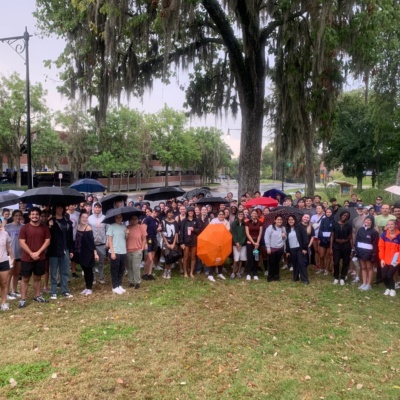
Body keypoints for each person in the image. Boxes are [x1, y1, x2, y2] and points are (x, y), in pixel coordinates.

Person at [18, 207, 51, 308]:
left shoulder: (44, 228)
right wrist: (31, 253)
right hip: (27, 258)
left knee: (38, 277)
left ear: (39, 216)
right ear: (29, 216)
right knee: (25, 278)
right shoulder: (24, 228)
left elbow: (47, 241)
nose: (34, 216)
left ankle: (37, 296)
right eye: (32, 214)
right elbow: (21, 242)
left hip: (40, 257)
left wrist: (38, 252)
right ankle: (23, 299)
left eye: (36, 214)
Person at [48, 205, 74, 300]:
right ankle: (54, 291)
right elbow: (46, 235)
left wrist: (71, 250)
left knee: (65, 271)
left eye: (61, 208)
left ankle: (65, 290)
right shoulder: (51, 221)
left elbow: (70, 237)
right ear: (55, 209)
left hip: (65, 249)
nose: (59, 209)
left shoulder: (67, 222)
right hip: (53, 250)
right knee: (53, 272)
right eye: (58, 207)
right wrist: (49, 226)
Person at [75, 211, 98, 296]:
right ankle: (87, 287)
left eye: (86, 217)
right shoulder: (78, 227)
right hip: (80, 252)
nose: (84, 219)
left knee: (89, 270)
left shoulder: (88, 228)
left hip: (88, 252)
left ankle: (89, 288)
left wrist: (95, 253)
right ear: (80, 218)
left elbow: (92, 242)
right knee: (84, 269)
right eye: (83, 217)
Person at [286, 214, 314, 284]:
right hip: (292, 249)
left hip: (300, 248)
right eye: (289, 220)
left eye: (292, 219)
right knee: (295, 264)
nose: (290, 221)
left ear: (295, 220)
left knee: (301, 264)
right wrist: (287, 251)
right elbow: (287, 241)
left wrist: (304, 248)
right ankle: (295, 278)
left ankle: (305, 279)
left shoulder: (299, 227)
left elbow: (305, 238)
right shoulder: (287, 229)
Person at [354, 215, 379, 291]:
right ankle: (364, 283)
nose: (367, 221)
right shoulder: (360, 229)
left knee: (369, 268)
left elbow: (375, 245)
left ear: (372, 222)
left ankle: (369, 284)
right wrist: (356, 251)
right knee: (363, 268)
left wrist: (374, 255)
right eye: (366, 220)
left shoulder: (374, 232)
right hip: (361, 252)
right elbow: (357, 240)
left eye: (369, 220)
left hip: (369, 253)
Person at [107, 213, 128, 294]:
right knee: (115, 269)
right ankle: (115, 286)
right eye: (117, 217)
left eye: (120, 217)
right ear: (115, 218)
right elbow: (109, 240)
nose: (119, 219)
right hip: (115, 251)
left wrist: (127, 233)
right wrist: (112, 252)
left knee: (121, 269)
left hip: (123, 251)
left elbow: (125, 238)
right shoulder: (111, 226)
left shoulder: (124, 227)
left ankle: (119, 284)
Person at [378, 219, 400, 297]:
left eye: (392, 224)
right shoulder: (383, 235)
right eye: (388, 224)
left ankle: (393, 289)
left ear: (395, 225)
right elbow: (381, 248)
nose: (390, 226)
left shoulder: (399, 236)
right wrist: (382, 259)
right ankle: (388, 288)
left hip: (395, 260)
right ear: (386, 226)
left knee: (389, 275)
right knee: (384, 276)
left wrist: (398, 261)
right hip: (385, 259)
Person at [330, 211, 352, 285]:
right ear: (341, 215)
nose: (345, 217)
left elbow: (350, 237)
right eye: (344, 215)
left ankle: (343, 277)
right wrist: (331, 248)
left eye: (347, 216)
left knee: (345, 262)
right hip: (336, 245)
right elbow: (332, 236)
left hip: (346, 245)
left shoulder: (349, 225)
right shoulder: (335, 224)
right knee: (336, 262)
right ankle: (336, 277)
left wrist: (352, 248)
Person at [5, 210, 23, 300]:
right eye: (16, 215)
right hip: (11, 253)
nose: (18, 217)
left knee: (16, 273)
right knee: (9, 274)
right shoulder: (7, 226)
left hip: (20, 253)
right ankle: (6, 292)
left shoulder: (23, 227)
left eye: (19, 215)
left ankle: (14, 291)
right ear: (13, 217)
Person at [208, 210, 230, 281]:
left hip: (222, 242)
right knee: (213, 258)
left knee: (221, 257)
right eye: (220, 214)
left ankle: (220, 273)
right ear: (217, 215)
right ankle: (210, 274)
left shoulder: (226, 222)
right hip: (214, 242)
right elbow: (210, 230)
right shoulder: (213, 221)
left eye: (222, 214)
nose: (221, 216)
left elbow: (226, 232)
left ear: (224, 215)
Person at [88, 202, 107, 284]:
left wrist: (107, 242)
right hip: (92, 244)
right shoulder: (89, 218)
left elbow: (107, 230)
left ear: (101, 208)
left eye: (99, 207)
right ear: (93, 208)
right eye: (96, 207)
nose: (97, 209)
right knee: (92, 262)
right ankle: (93, 278)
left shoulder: (105, 218)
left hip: (102, 244)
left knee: (101, 262)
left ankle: (101, 277)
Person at [264, 215, 286, 282]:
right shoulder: (271, 227)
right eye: (278, 219)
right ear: (275, 220)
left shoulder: (283, 228)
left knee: (277, 263)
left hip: (280, 248)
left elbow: (285, 239)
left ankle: (276, 277)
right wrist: (268, 247)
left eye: (280, 220)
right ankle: (270, 277)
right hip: (272, 248)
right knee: (271, 263)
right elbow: (266, 237)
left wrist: (284, 236)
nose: (279, 221)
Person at [126, 214, 146, 288]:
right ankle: (131, 281)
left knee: (136, 267)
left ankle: (137, 282)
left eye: (135, 219)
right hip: (128, 250)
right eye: (132, 219)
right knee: (129, 267)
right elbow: (124, 238)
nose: (134, 220)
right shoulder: (127, 228)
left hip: (137, 250)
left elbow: (144, 239)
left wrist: (142, 248)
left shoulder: (141, 227)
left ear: (138, 220)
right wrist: (126, 233)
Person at [179, 207, 199, 278]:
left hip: (194, 241)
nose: (191, 212)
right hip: (186, 242)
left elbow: (199, 230)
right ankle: (185, 272)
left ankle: (191, 272)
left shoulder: (196, 220)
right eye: (189, 211)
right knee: (185, 257)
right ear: (187, 212)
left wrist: (194, 229)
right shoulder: (184, 220)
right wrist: (181, 242)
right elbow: (181, 232)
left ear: (194, 212)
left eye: (192, 211)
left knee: (193, 257)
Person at [142, 208, 161, 281]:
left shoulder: (157, 221)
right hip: (148, 239)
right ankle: (145, 273)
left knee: (152, 258)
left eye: (158, 212)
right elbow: (144, 230)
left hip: (154, 239)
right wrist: (145, 242)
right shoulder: (147, 219)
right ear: (153, 211)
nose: (156, 213)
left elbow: (155, 230)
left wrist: (158, 229)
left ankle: (149, 273)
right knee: (149, 258)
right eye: (155, 211)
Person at [245, 210, 263, 280]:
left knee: (256, 257)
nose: (254, 214)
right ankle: (248, 273)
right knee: (249, 258)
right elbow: (247, 233)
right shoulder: (247, 223)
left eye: (255, 213)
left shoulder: (260, 223)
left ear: (257, 215)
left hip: (257, 242)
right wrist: (253, 242)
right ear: (251, 214)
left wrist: (257, 243)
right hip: (250, 242)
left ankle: (255, 273)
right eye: (253, 213)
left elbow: (260, 233)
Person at [161, 209, 179, 279]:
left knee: (172, 257)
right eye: (169, 213)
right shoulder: (163, 222)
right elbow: (163, 234)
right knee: (167, 256)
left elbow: (176, 234)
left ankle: (169, 271)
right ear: (167, 213)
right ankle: (166, 270)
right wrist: (167, 244)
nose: (170, 214)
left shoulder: (175, 222)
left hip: (173, 242)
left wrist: (173, 244)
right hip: (166, 243)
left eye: (171, 213)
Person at [0, 219, 13, 310]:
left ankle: (3, 303)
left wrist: (12, 257)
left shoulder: (5, 234)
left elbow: (9, 248)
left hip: (4, 261)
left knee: (4, 283)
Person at [317, 208, 334, 275]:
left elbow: (333, 231)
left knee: (328, 256)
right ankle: (321, 268)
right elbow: (320, 229)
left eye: (330, 212)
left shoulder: (334, 220)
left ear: (332, 213)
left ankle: (326, 269)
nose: (328, 213)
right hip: (323, 240)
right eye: (327, 212)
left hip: (330, 241)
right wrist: (320, 238)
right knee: (321, 256)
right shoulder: (323, 220)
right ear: (325, 213)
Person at [230, 210, 247, 279]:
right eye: (239, 214)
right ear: (237, 215)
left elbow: (245, 235)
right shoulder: (234, 223)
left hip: (243, 245)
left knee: (241, 259)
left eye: (241, 214)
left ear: (243, 216)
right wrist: (237, 243)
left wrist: (241, 243)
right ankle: (233, 272)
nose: (240, 215)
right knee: (236, 259)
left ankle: (238, 272)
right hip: (235, 244)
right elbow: (233, 233)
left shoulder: (245, 224)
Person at [310, 205, 325, 272]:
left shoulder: (324, 217)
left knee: (321, 252)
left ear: (322, 209)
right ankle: (317, 264)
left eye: (319, 208)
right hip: (314, 236)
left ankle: (322, 265)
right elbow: (311, 225)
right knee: (316, 251)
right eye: (317, 208)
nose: (318, 209)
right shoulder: (313, 216)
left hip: (321, 236)